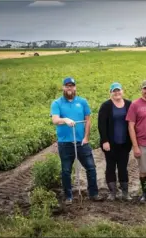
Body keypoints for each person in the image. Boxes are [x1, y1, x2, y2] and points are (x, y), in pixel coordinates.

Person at [50, 77, 103, 205]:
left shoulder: (82, 102)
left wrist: (86, 137)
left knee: (91, 167)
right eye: (67, 86)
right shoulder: (57, 103)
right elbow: (55, 120)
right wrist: (65, 120)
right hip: (65, 143)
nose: (70, 88)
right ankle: (68, 196)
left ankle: (93, 193)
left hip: (81, 142)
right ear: (63, 87)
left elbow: (88, 120)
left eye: (72, 86)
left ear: (75, 87)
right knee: (66, 170)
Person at [98, 82, 132, 201]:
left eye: (118, 90)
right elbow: (101, 125)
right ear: (110, 93)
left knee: (123, 167)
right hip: (110, 144)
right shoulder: (106, 106)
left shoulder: (129, 104)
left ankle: (125, 193)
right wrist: (105, 141)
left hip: (124, 143)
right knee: (110, 167)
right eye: (114, 91)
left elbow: (133, 122)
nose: (117, 93)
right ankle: (112, 192)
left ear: (122, 91)